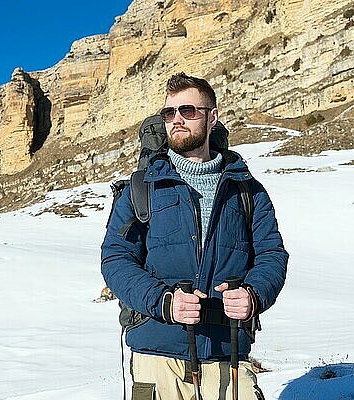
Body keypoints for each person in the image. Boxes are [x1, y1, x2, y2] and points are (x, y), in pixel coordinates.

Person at [101, 72, 288, 400]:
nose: (177, 120)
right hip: (158, 352)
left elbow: (272, 254)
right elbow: (116, 258)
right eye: (169, 113)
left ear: (212, 117)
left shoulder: (247, 190)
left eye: (188, 111)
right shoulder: (141, 189)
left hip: (227, 351)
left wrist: (255, 294)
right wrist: (163, 302)